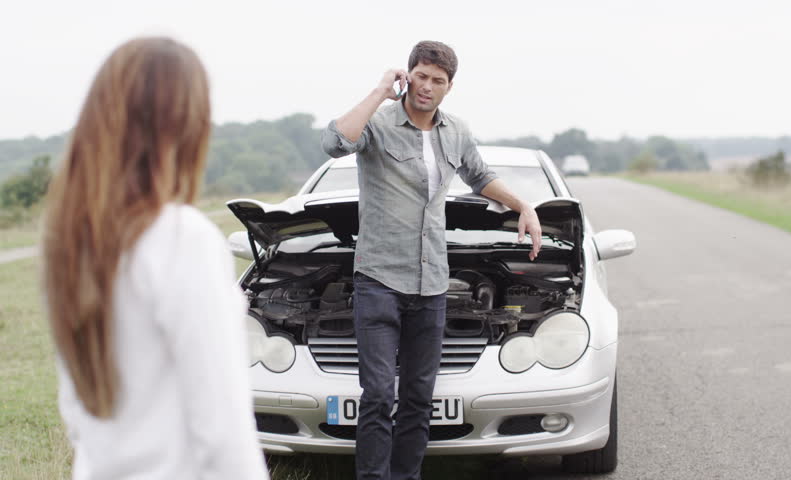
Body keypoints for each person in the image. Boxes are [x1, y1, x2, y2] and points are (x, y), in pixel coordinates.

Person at [41, 37, 269, 480]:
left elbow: (76, 415)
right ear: (185, 126)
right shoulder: (181, 237)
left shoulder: (70, 240)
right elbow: (224, 433)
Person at [321, 40, 543, 480]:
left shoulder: (455, 131)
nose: (426, 87)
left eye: (436, 81)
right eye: (420, 76)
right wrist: (379, 92)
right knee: (380, 394)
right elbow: (333, 143)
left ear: (449, 87)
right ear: (408, 75)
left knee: (420, 396)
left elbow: (480, 176)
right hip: (379, 280)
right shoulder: (379, 124)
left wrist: (525, 206)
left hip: (432, 284)